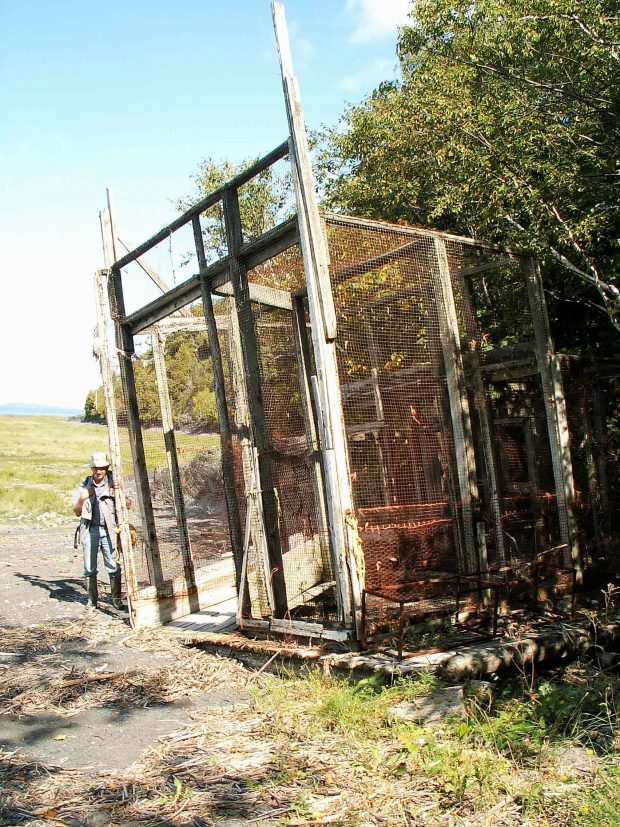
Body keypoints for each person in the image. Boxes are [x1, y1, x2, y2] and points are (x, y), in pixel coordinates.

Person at [73, 451, 130, 611]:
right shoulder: (85, 485)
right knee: (89, 568)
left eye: (102, 468)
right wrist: (83, 498)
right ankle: (92, 601)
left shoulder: (114, 483)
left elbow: (128, 505)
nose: (98, 471)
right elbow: (77, 511)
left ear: (106, 468)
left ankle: (116, 600)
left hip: (110, 531)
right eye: (95, 468)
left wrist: (118, 494)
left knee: (113, 566)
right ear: (92, 468)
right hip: (91, 531)